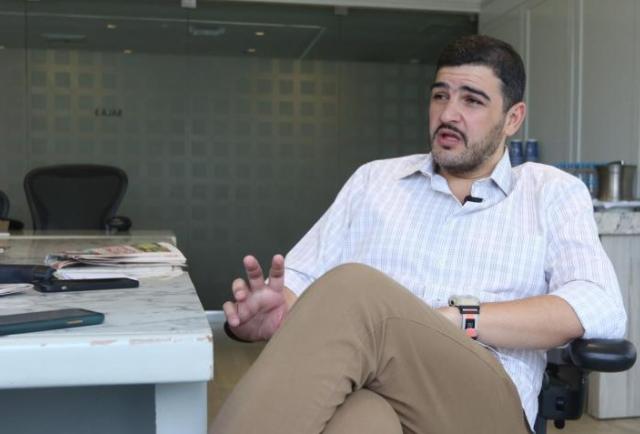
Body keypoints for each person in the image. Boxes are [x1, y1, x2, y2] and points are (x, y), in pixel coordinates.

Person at [210, 35, 627, 434]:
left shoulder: (548, 192)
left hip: (485, 404)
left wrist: (462, 318)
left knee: (355, 289)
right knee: (360, 418)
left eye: (472, 100)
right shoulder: (374, 181)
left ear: (512, 118)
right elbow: (302, 278)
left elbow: (600, 305)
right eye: (440, 96)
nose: (448, 114)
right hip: (375, 390)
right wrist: (277, 311)